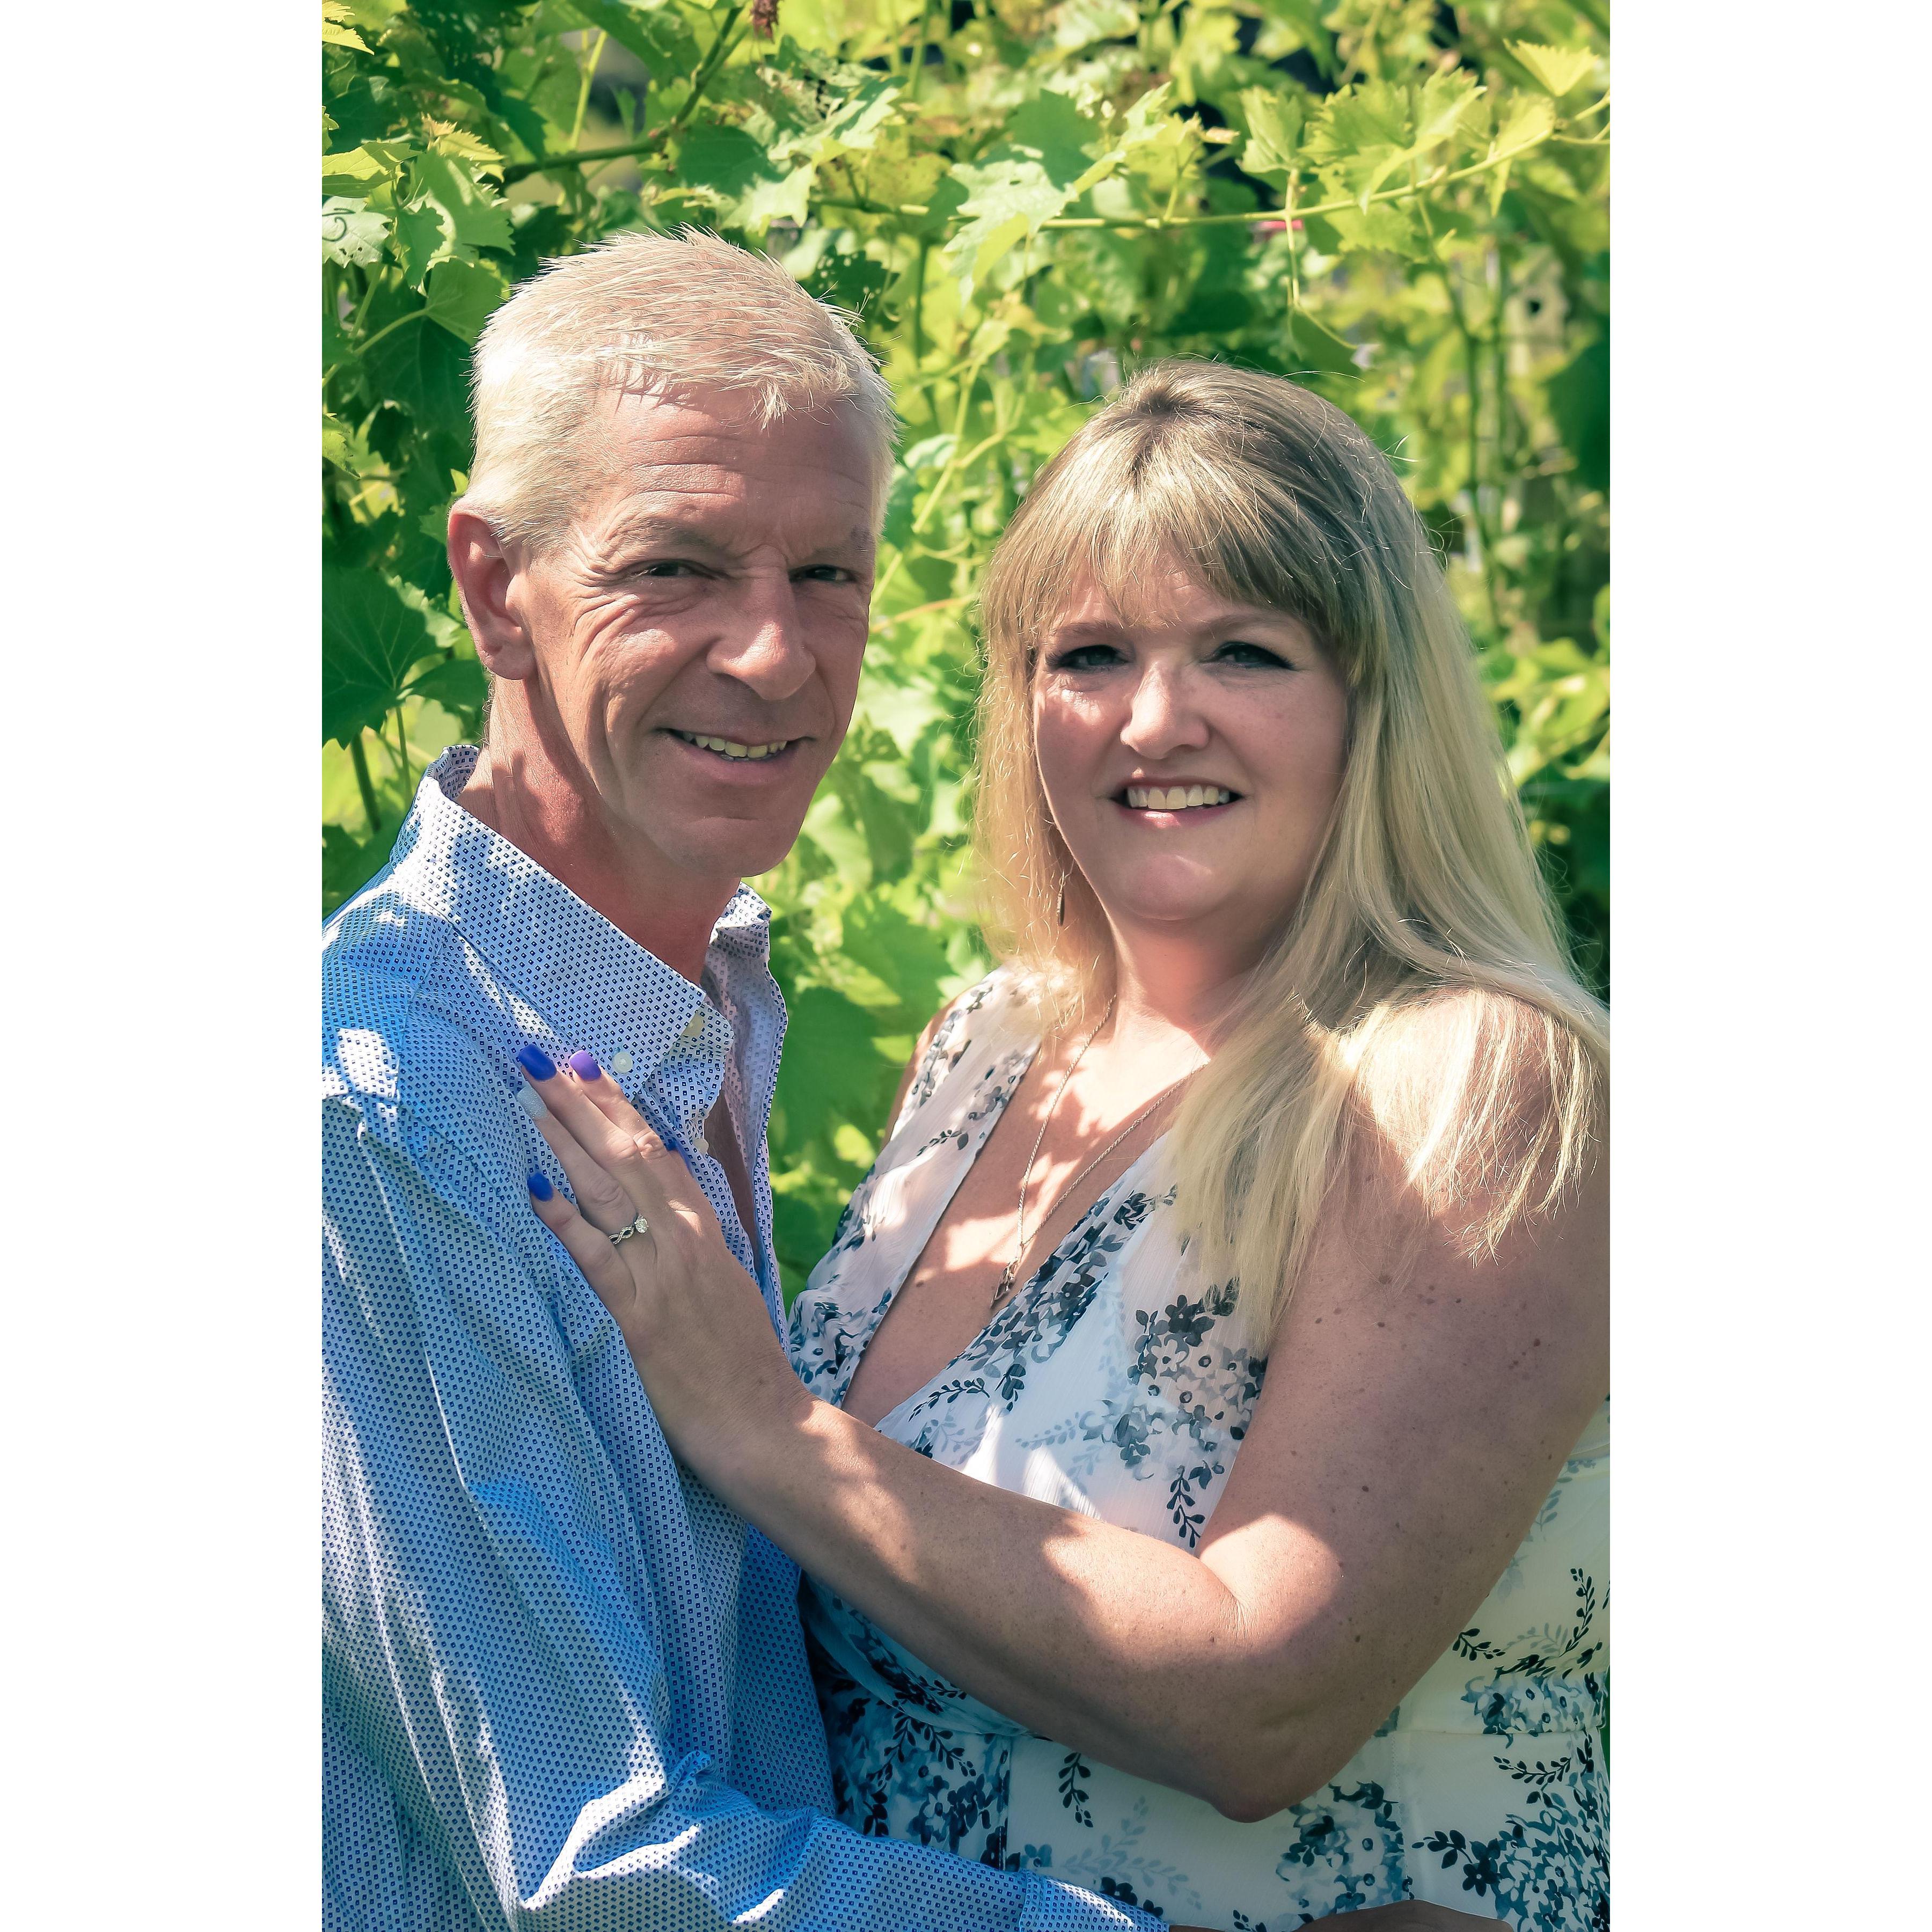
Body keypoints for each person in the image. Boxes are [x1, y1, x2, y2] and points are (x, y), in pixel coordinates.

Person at [322, 234, 1474, 1932]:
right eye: (678, 569)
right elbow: (596, 1877)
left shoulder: (703, 1002)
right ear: (498, 584)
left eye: (829, 574)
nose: (777, 656)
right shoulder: (392, 1104)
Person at [518, 362, 1609, 1930]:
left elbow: (1267, 1698)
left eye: (1245, 649)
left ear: (1375, 701)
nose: (1154, 719)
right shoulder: (991, 1043)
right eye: (1088, 654)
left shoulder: (1476, 1079)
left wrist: (769, 1431)